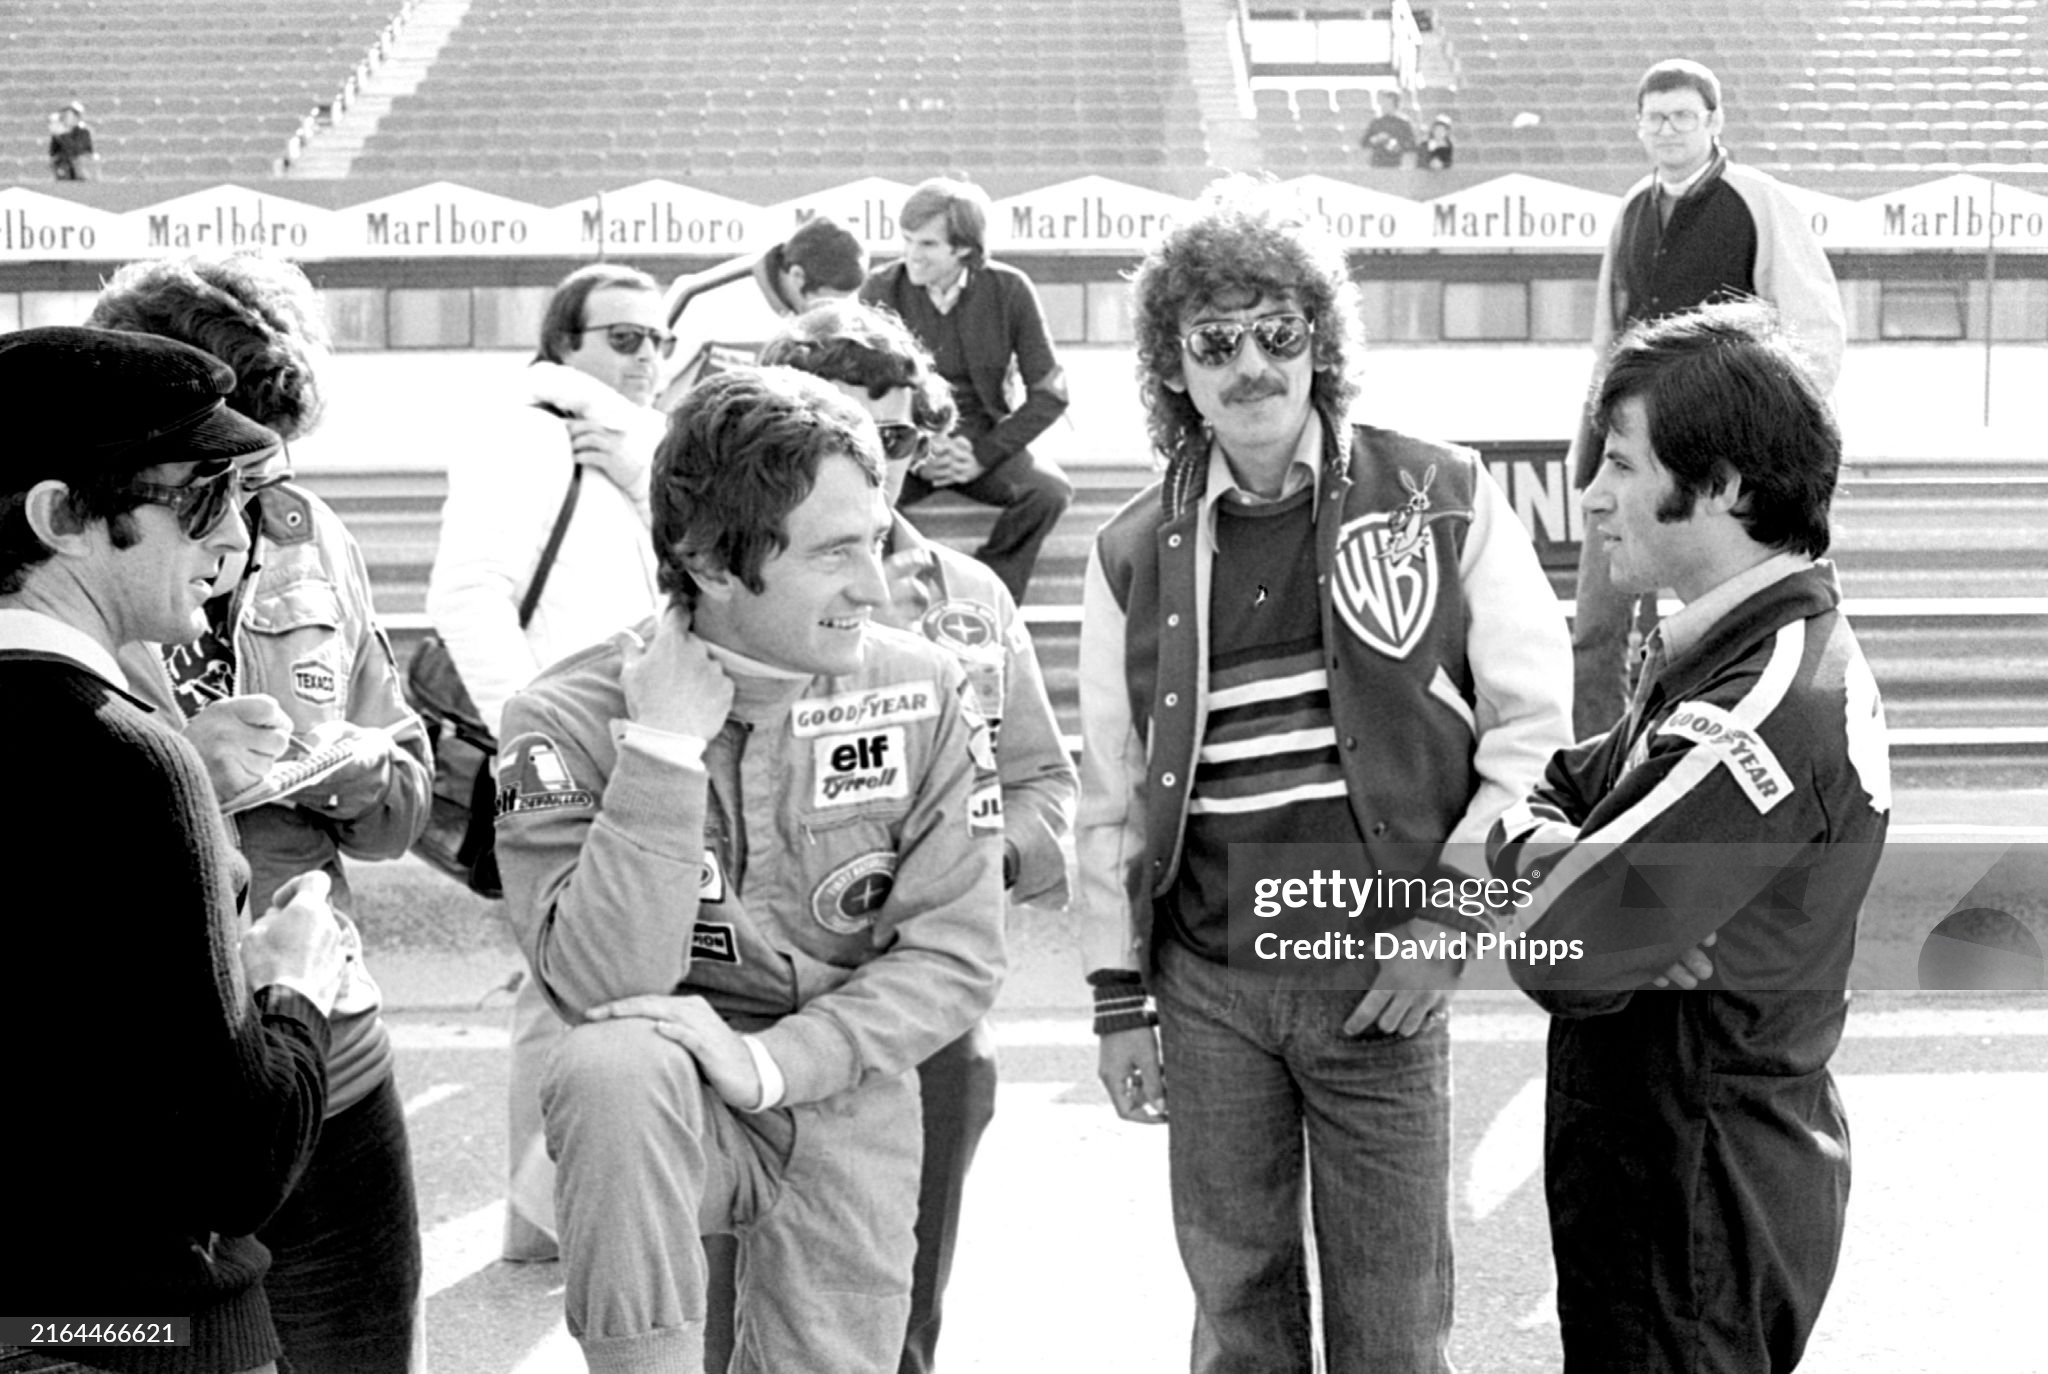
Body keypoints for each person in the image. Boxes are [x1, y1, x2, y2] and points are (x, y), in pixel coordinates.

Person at [1077, 179, 1573, 1372]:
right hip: (1208, 991)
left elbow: (1534, 732)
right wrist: (1111, 999)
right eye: (1212, 341)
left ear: (1320, 341)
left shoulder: (1440, 492)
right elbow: (1109, 791)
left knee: (1394, 1323)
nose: (1248, 364)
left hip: (1378, 975)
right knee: (1235, 1314)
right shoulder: (1130, 548)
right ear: (1173, 365)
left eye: (1276, 333)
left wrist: (1448, 922)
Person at [493, 365, 1007, 1373]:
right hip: (663, 1104)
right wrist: (661, 754)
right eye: (834, 552)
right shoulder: (559, 717)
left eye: (876, 538)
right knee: (609, 1063)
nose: (875, 581)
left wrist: (772, 1063)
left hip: (841, 1093)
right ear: (713, 562)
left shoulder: (926, 688)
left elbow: (956, 957)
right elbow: (598, 987)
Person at [1488, 301, 1892, 1372]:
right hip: (1680, 1188)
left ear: (1716, 485)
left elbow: (1559, 944)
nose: (1591, 495)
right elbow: (1552, 786)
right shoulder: (1734, 650)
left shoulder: (1756, 704)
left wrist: (1563, 884)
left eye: (1618, 465)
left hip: (1692, 1218)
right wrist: (1555, 857)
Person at [88, 251, 432, 1374]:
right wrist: (180, 771)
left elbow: (403, 799)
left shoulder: (309, 534)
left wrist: (356, 776)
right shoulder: (41, 568)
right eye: (212, 479)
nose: (247, 518)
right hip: (141, 1114)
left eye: (269, 472)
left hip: (332, 1061)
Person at [0, 325, 348, 1372]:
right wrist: (293, 994)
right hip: (134, 1333)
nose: (232, 541)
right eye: (202, 499)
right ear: (60, 516)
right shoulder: (124, 759)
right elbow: (235, 1166)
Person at [753, 299, 1077, 1373]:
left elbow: (1043, 788)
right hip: (753, 1011)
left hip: (927, 1024)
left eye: (895, 439)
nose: (877, 466)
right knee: (736, 1320)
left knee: (896, 1330)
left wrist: (966, 863)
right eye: (849, 435)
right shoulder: (720, 589)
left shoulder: (969, 595)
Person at [424, 259, 668, 1263]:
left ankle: (557, 1212)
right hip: (558, 749)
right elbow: (467, 596)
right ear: (563, 343)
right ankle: (539, 1224)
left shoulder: (620, 441)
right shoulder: (529, 430)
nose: (646, 357)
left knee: (598, 978)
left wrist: (640, 475)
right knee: (558, 983)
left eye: (657, 338)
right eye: (621, 338)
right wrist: (534, 755)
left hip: (624, 739)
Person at [1567, 58, 1846, 737]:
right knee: (1596, 633)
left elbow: (1815, 327)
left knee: (1732, 628)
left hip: (1720, 465)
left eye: (1683, 116)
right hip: (1636, 449)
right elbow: (1609, 337)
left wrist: (1767, 441)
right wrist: (1594, 442)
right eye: (1656, 117)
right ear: (1639, 126)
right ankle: (1602, 773)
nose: (1669, 128)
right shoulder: (1632, 207)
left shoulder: (1757, 198)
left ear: (1714, 122)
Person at [860, 176, 1073, 604]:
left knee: (1049, 493)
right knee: (859, 503)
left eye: (926, 245)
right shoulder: (881, 288)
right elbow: (860, 391)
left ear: (963, 248)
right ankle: (890, 600)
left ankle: (988, 597)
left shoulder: (1010, 290)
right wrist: (912, 451)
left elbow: (1051, 394)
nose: (911, 255)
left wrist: (982, 455)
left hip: (982, 443)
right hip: (904, 442)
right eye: (907, 240)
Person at [656, 216, 868, 406]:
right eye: (827, 302)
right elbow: (648, 384)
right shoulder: (704, 298)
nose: (835, 313)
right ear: (797, 276)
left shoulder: (845, 305)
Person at [1360, 90, 1418, 168]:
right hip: (1377, 163)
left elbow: (1412, 145)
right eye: (1384, 103)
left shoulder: (1404, 123)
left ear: (1396, 104)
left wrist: (1395, 144)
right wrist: (1376, 139)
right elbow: (1364, 143)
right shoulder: (1377, 122)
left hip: (1397, 164)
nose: (1384, 105)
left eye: (1388, 103)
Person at [48, 99, 99, 180]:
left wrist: (62, 134)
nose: (65, 117)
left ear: (77, 118)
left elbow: (76, 150)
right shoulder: (58, 133)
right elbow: (53, 152)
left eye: (69, 115)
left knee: (79, 160)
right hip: (65, 168)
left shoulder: (84, 132)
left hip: (81, 169)